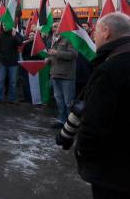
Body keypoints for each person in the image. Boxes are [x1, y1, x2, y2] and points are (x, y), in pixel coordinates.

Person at [75, 13, 130, 198]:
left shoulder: (109, 68)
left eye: (96, 32)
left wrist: (84, 153)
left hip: (114, 173)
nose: (93, 37)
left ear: (106, 32)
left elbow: (94, 122)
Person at [46, 22, 78, 128]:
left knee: (68, 101)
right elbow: (53, 55)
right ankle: (61, 120)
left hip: (67, 75)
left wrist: (56, 53)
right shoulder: (53, 40)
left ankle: (70, 123)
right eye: (53, 27)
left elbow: (73, 55)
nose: (54, 28)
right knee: (59, 99)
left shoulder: (69, 39)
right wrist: (48, 59)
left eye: (56, 26)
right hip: (55, 74)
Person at [0, 23, 23, 104]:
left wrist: (15, 35)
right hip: (2, 62)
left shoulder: (15, 33)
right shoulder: (0, 35)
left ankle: (12, 98)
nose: (5, 26)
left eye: (6, 25)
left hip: (13, 62)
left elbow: (20, 43)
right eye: (4, 25)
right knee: (0, 80)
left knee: (13, 81)